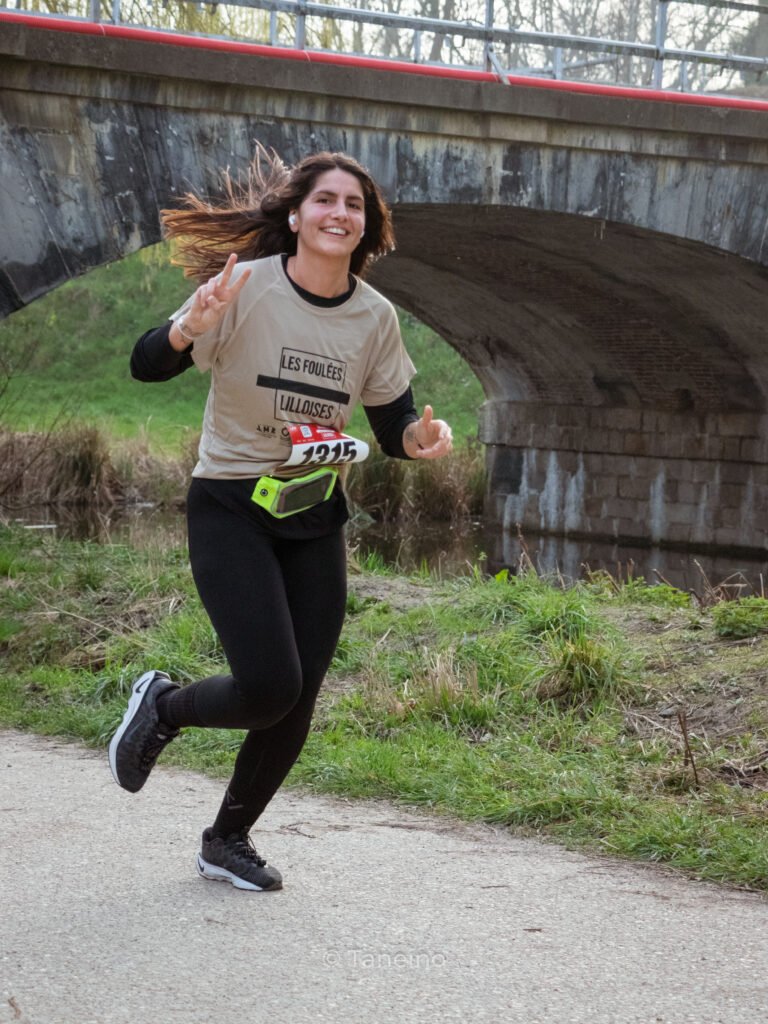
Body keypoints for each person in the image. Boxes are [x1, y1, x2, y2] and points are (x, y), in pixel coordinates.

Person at [108, 148, 452, 892]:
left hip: (313, 510)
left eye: (354, 205)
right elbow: (145, 364)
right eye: (325, 199)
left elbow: (393, 423)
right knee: (268, 685)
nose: (339, 213)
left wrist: (418, 441)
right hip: (231, 504)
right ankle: (162, 706)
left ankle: (227, 841)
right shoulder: (245, 286)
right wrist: (186, 327)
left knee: (299, 692)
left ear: (367, 227)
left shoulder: (374, 317)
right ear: (296, 216)